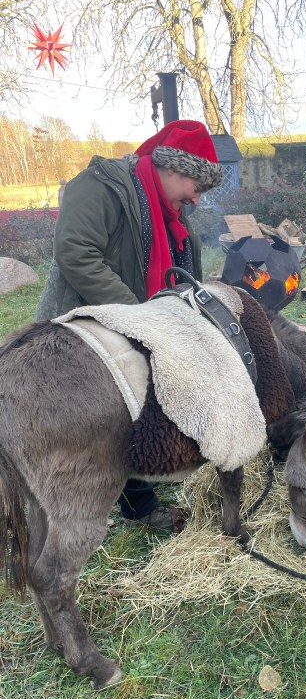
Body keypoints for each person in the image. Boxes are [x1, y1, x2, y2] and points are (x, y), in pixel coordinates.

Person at [37, 120, 222, 530]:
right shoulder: (100, 186)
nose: (196, 198)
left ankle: (139, 495)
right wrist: (140, 314)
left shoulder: (171, 210)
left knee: (137, 408)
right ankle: (84, 510)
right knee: (101, 419)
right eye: (196, 186)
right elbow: (76, 253)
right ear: (172, 167)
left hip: (138, 324)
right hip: (83, 327)